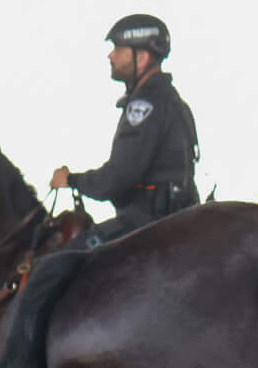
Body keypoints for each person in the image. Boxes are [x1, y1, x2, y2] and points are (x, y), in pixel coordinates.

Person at [50, 14, 200, 247]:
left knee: (56, 266)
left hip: (147, 222)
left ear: (141, 57)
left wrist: (71, 180)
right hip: (179, 216)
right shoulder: (174, 102)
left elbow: (118, 178)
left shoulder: (145, 106)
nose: (111, 55)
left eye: (118, 49)